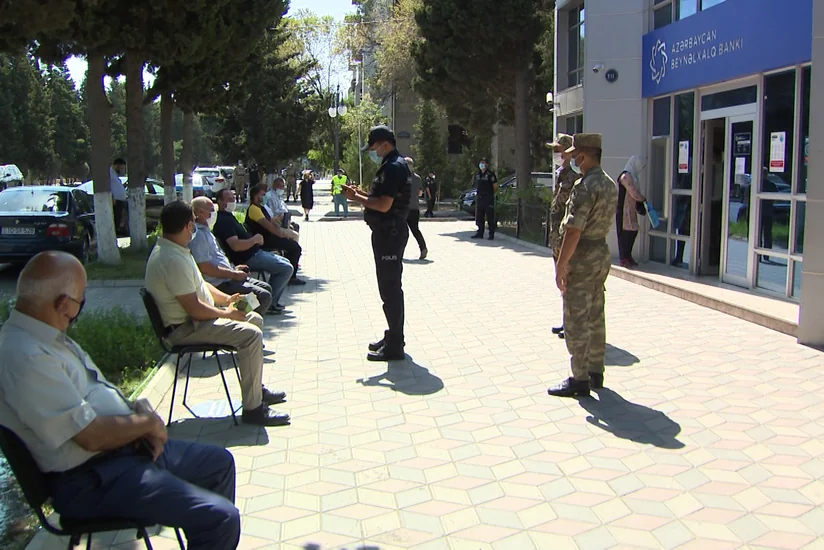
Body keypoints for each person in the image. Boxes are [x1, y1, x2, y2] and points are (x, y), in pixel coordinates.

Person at [0, 251, 241, 549]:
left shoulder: (45, 336)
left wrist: (136, 413)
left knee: (219, 464)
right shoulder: (25, 356)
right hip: (92, 479)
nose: (80, 308)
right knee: (220, 518)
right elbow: (90, 436)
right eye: (81, 299)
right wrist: (146, 424)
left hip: (119, 456)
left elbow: (94, 397)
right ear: (63, 304)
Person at [146, 201, 290, 425]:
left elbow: (201, 284)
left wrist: (227, 300)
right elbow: (195, 309)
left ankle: (255, 391)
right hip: (185, 329)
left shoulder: (176, 249)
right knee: (251, 335)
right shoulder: (171, 259)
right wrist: (227, 314)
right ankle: (253, 410)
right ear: (188, 225)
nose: (195, 228)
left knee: (254, 317)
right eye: (193, 223)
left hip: (195, 321)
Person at [548, 133, 618, 398]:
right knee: (596, 313)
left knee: (576, 317)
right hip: (600, 253)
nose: (573, 159)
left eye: (576, 155)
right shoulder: (609, 183)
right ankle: (595, 371)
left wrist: (561, 265)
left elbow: (574, 230)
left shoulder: (585, 186)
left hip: (582, 254)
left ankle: (579, 378)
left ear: (585, 155)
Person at [342, 125, 412, 361]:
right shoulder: (393, 164)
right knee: (389, 288)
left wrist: (356, 197)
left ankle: (395, 345)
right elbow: (381, 197)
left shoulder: (393, 167)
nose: (373, 151)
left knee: (390, 289)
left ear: (384, 143)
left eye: (374, 147)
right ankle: (393, 335)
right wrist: (361, 194)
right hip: (387, 233)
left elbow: (383, 205)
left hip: (390, 234)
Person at [189, 196, 284, 315]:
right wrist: (233, 274)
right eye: (211, 210)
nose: (214, 213)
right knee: (263, 297)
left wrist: (234, 269)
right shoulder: (199, 236)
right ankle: (238, 316)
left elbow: (217, 258)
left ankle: (242, 313)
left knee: (266, 289)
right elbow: (205, 267)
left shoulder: (207, 231)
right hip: (219, 283)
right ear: (199, 212)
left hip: (228, 276)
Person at [211, 189, 296, 293]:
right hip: (247, 258)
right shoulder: (224, 221)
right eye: (229, 199)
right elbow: (236, 246)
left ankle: (271, 297)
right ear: (220, 202)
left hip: (255, 252)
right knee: (286, 268)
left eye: (234, 198)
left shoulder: (229, 216)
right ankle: (270, 301)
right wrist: (254, 240)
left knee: (286, 262)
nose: (233, 201)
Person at [547, 133, 577, 340]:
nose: (556, 154)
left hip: (566, 238)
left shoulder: (574, 178)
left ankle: (572, 324)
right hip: (556, 239)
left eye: (558, 150)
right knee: (562, 282)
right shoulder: (560, 175)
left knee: (570, 280)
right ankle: (567, 321)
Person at [246, 184, 306, 286]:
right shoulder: (254, 209)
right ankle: (291, 277)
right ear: (256, 196)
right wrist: (282, 234)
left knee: (292, 246)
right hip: (264, 240)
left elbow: (270, 221)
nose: (265, 196)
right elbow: (269, 226)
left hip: (268, 237)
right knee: (295, 248)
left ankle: (290, 273)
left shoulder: (260, 207)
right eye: (263, 195)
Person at [616, 156, 647, 268]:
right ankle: (623, 258)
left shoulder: (633, 176)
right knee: (625, 234)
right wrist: (642, 199)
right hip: (624, 211)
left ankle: (628, 255)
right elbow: (633, 191)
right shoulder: (625, 176)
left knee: (633, 231)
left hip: (631, 210)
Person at [405, 157, 428, 260]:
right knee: (415, 230)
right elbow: (420, 193)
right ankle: (423, 248)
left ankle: (398, 252)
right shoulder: (418, 178)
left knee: (402, 232)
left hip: (404, 208)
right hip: (415, 208)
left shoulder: (402, 177)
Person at [472, 158, 498, 240]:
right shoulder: (478, 174)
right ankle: (480, 232)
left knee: (490, 216)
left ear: (487, 164)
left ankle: (491, 234)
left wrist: (490, 194)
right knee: (479, 216)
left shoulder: (490, 174)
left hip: (488, 198)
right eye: (481, 163)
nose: (481, 165)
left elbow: (495, 186)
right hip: (480, 198)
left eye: (483, 163)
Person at [110, 158, 128, 235]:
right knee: (115, 221)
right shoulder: (109, 173)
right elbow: (108, 187)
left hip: (119, 202)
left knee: (118, 222)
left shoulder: (114, 175)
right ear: (117, 166)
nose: (122, 171)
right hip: (115, 202)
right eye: (122, 168)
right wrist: (112, 197)